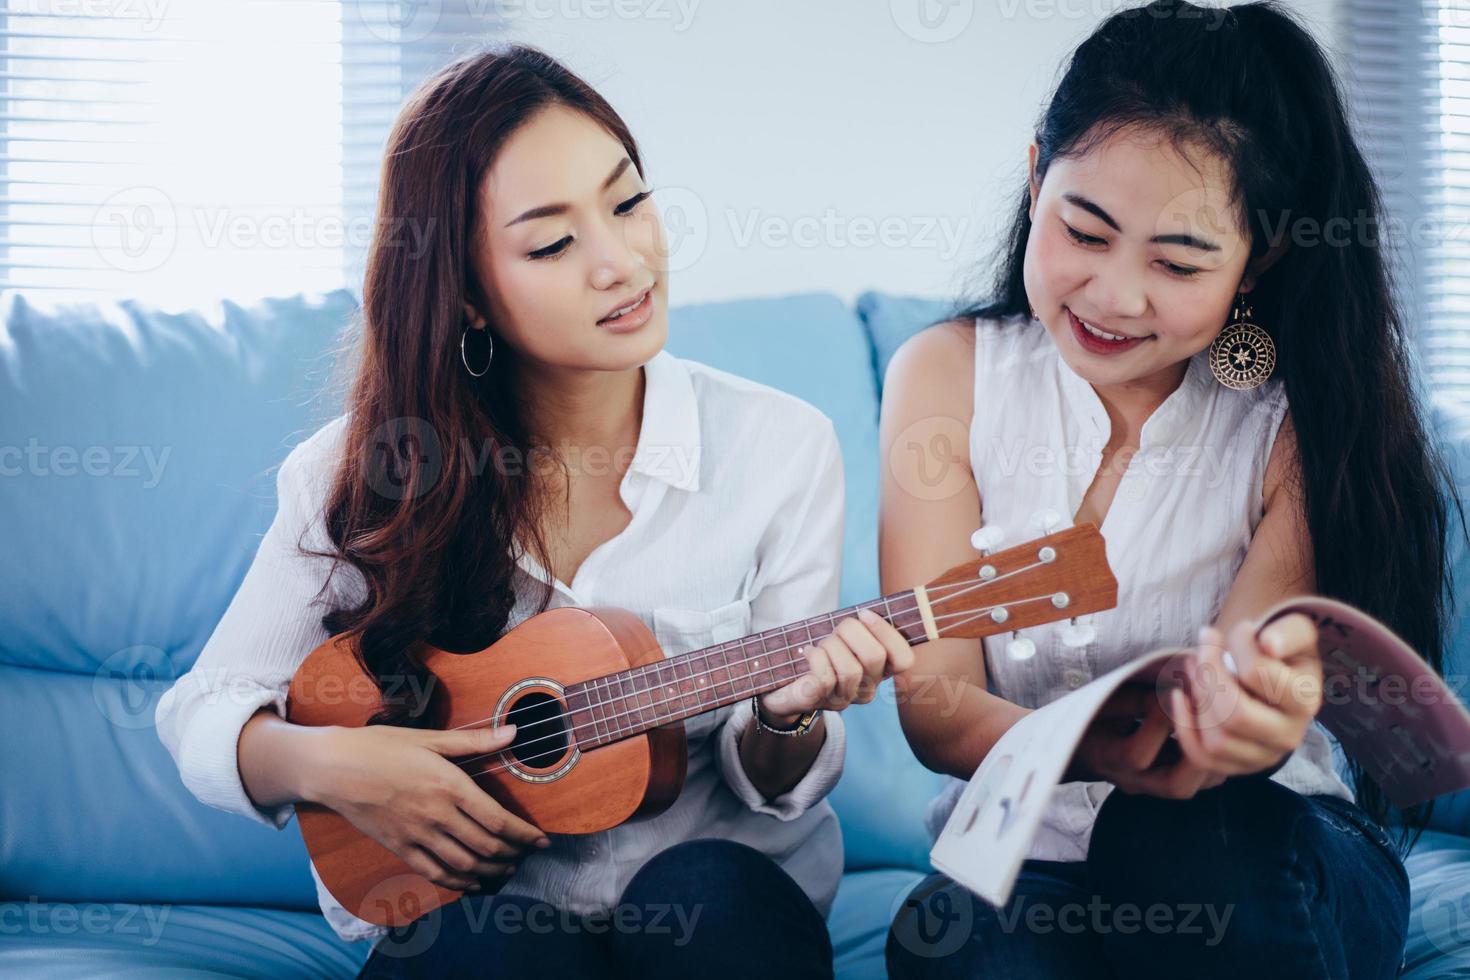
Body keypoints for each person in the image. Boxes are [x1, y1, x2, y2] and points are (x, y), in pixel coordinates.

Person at [154, 44, 915, 979]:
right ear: (467, 297)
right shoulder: (358, 471)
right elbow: (201, 714)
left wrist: (790, 718)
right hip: (480, 914)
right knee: (494, 943)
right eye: (553, 243)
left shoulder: (781, 447)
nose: (622, 261)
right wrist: (336, 769)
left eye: (629, 202)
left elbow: (771, 783)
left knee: (714, 895)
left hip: (713, 907)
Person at [880, 3, 1457, 977]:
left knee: (1183, 838)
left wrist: (1249, 717)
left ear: (1256, 260)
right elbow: (938, 704)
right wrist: (1099, 749)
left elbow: (1238, 706)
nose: (1113, 294)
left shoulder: (1293, 424)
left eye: (1177, 261)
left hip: (1266, 846)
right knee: (955, 936)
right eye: (1084, 231)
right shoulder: (945, 375)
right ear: (1035, 179)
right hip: (1034, 856)